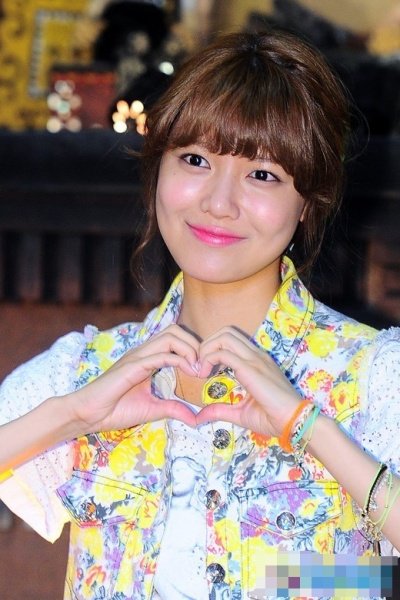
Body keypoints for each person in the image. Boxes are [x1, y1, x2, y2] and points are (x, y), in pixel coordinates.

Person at [1, 28, 400, 600]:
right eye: (194, 159)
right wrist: (71, 416)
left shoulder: (370, 377)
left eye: (262, 174)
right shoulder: (88, 369)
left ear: (308, 204)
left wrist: (309, 427)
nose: (218, 202)